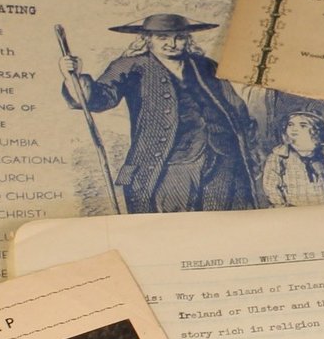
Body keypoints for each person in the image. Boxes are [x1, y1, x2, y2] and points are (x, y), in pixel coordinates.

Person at [59, 14, 258, 212]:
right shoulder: (130, 66)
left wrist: (248, 145)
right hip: (169, 165)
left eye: (179, 37)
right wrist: (72, 77)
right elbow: (99, 99)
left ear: (188, 39)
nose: (172, 44)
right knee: (173, 224)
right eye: (163, 38)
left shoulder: (205, 65)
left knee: (221, 220)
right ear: (148, 39)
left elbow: (234, 106)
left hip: (223, 159)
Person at [259, 112, 324, 206]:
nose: (294, 129)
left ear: (315, 130)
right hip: (294, 208)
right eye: (290, 124)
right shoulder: (278, 156)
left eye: (303, 125)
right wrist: (281, 206)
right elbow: (271, 186)